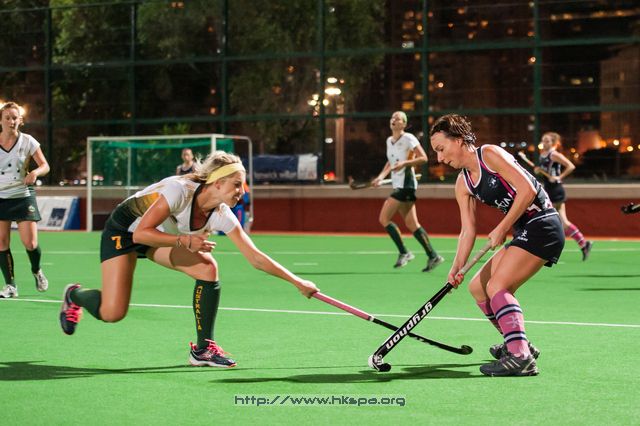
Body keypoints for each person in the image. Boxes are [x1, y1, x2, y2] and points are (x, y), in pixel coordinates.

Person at [59, 150, 319, 367]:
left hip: (158, 237)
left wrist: (297, 282)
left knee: (207, 268)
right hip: (125, 231)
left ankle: (203, 350)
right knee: (112, 313)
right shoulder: (179, 190)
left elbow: (255, 257)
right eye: (237, 184)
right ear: (217, 183)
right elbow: (140, 233)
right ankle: (74, 295)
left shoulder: (221, 214)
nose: (242, 191)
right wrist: (184, 240)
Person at [430, 114, 565, 377]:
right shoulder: (463, 183)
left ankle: (520, 357)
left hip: (543, 224)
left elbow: (528, 189)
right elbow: (467, 230)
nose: (440, 158)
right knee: (478, 288)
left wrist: (502, 228)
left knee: (497, 286)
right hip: (524, 230)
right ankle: (518, 342)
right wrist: (457, 268)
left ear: (458, 140)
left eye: (441, 149)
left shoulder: (489, 155)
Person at [372, 111, 443, 272]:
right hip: (398, 184)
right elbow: (390, 163)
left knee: (384, 218)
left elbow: (423, 158)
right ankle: (433, 256)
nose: (394, 120)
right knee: (412, 224)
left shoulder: (408, 138)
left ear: (403, 124)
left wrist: (404, 163)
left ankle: (404, 252)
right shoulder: (389, 141)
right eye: (392, 117)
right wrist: (380, 177)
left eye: (398, 118)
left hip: (407, 184)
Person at [0, 102, 50, 298]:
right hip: (1, 197)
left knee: (30, 242)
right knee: (1, 242)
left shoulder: (28, 141)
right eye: (7, 118)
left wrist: (35, 173)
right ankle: (10, 286)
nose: (11, 121)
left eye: (15, 118)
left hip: (22, 195)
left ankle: (36, 270)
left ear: (20, 120)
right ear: (1, 120)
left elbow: (45, 165)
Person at [534, 132, 592, 260]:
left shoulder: (554, 154)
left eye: (547, 141)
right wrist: (539, 171)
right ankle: (583, 244)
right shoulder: (542, 155)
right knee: (562, 222)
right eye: (543, 140)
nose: (544, 143)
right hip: (548, 189)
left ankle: (545, 249)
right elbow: (546, 171)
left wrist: (559, 177)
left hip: (556, 190)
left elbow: (571, 166)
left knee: (546, 218)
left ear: (554, 143)